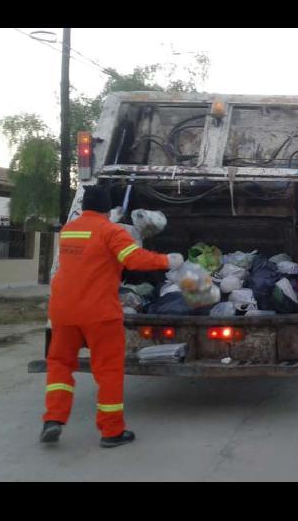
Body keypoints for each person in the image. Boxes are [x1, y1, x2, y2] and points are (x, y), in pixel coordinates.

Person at [40, 185, 184, 448]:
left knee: (60, 364)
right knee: (108, 371)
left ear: (83, 207)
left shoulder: (69, 229)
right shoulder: (110, 230)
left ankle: (53, 419)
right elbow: (135, 260)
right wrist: (168, 261)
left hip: (62, 310)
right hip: (98, 312)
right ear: (107, 209)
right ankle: (111, 431)